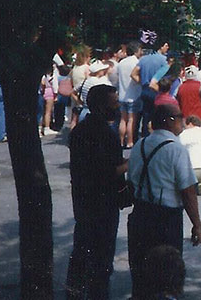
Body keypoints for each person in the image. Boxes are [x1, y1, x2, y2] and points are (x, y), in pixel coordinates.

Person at [127, 104, 201, 299]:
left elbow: (131, 180)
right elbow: (188, 191)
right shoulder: (176, 150)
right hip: (166, 218)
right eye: (179, 117)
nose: (182, 121)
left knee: (141, 271)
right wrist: (196, 224)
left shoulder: (140, 145)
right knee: (167, 273)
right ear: (169, 121)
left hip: (141, 214)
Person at [66, 85, 126, 299]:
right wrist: (131, 163)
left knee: (82, 251)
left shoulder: (79, 131)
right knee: (101, 258)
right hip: (103, 203)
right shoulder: (104, 134)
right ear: (102, 107)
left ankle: (75, 293)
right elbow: (109, 171)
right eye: (114, 103)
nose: (117, 106)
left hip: (82, 201)